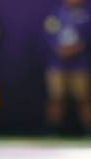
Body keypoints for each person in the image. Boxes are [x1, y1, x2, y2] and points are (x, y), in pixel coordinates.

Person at [44, 0, 91, 136]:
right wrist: (57, 48)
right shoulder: (56, 13)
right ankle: (52, 132)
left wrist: (77, 47)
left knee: (84, 98)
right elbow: (48, 34)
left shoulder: (87, 13)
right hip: (57, 64)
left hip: (80, 64)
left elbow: (87, 36)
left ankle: (88, 132)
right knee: (55, 98)